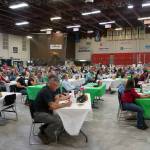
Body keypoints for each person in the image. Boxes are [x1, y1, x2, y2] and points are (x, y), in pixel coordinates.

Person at [34, 76, 72, 144]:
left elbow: (56, 99)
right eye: (56, 85)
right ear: (51, 84)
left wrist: (67, 97)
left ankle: (43, 130)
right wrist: (65, 104)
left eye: (57, 85)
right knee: (58, 121)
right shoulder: (46, 91)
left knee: (61, 118)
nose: (57, 87)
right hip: (39, 113)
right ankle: (45, 134)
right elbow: (53, 106)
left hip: (45, 111)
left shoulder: (50, 89)